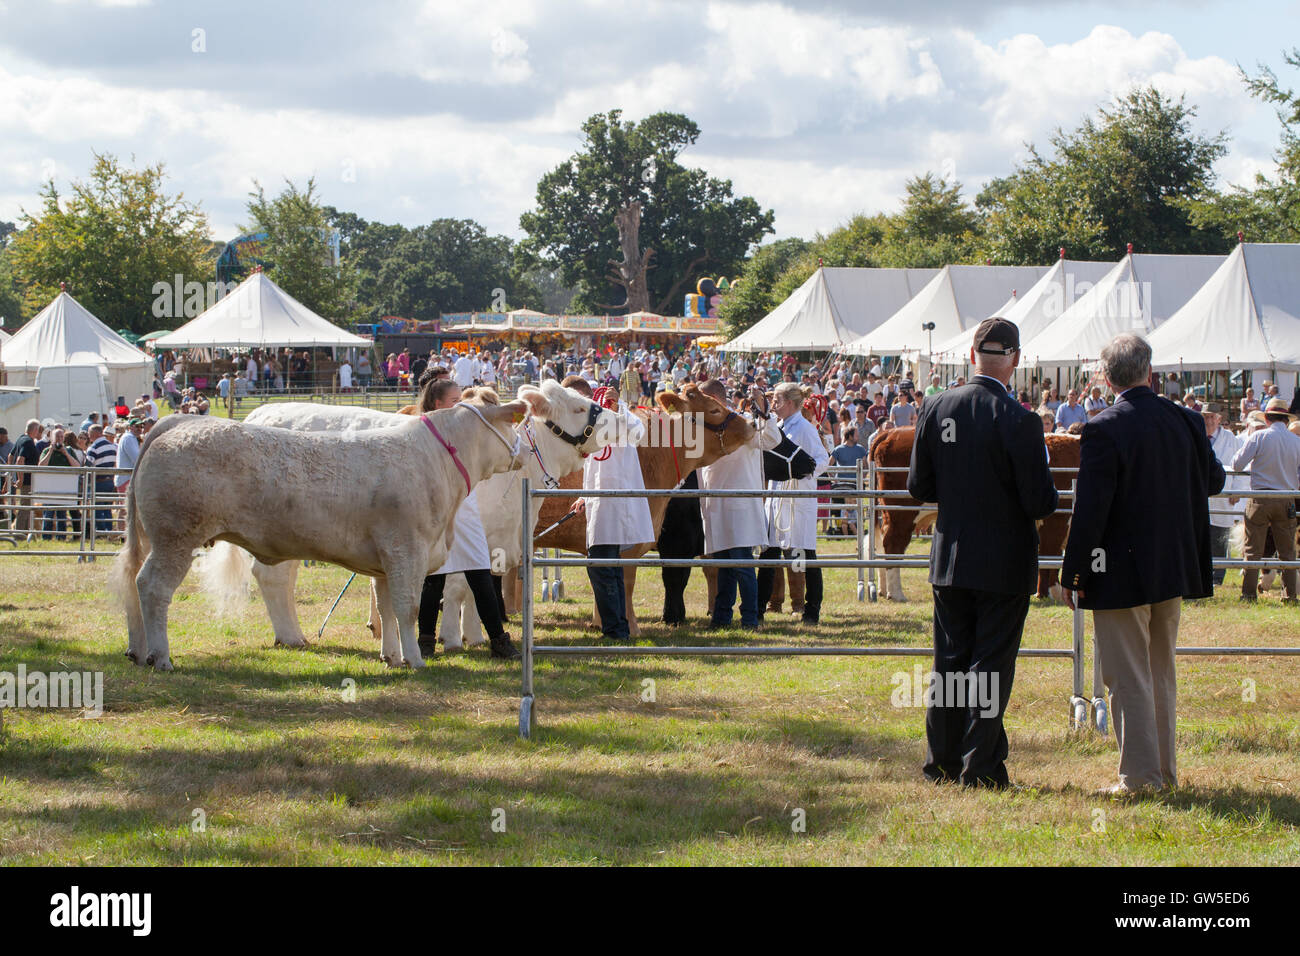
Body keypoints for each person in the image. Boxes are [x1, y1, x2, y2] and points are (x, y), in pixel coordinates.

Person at [1062, 333, 1225, 795]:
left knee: (1128, 675)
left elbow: (1090, 512)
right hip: (1171, 566)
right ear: (1149, 372)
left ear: (1108, 378)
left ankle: (1139, 778)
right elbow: (1213, 479)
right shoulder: (1188, 422)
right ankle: (1162, 772)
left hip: (1120, 570)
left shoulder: (1103, 428)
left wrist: (1072, 573)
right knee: (1160, 672)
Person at [907, 317, 1058, 789]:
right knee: (990, 665)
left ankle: (942, 762)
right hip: (1004, 561)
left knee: (949, 662)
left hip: (950, 556)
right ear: (1015, 359)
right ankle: (980, 768)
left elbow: (918, 487)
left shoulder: (936, 406)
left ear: (972, 355)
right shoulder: (1020, 420)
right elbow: (1040, 501)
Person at [414, 380, 520, 660]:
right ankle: (425, 641)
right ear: (437, 404)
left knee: (479, 572)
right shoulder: (423, 428)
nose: (459, 405)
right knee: (434, 577)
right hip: (438, 507)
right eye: (453, 400)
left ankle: (498, 639)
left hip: (466, 507)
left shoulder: (464, 426)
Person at [571, 385, 653, 641]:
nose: (605, 405)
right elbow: (591, 467)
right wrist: (584, 496)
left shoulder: (624, 421)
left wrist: (619, 409)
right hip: (599, 504)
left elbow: (638, 433)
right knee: (608, 566)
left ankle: (615, 629)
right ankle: (618, 626)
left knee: (603, 566)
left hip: (616, 504)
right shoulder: (592, 427)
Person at [698, 381, 781, 629]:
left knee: (742, 562)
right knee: (723, 563)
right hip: (717, 504)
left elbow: (771, 440)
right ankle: (721, 616)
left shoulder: (742, 423)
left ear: (714, 398)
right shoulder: (703, 427)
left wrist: (765, 411)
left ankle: (750, 617)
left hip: (740, 505)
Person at [757, 383, 830, 625]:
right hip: (778, 496)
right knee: (769, 554)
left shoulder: (805, 429)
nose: (774, 405)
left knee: (805, 553)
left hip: (797, 498)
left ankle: (812, 610)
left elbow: (822, 459)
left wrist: (804, 473)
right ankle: (758, 608)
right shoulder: (778, 427)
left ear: (790, 403)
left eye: (777, 400)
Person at [1230, 396, 1300, 602]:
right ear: (1285, 420)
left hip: (1260, 498)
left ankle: (1248, 594)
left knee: (1253, 550)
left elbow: (1236, 464)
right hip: (1286, 498)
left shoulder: (1258, 437)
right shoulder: (1296, 441)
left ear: (1267, 418)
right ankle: (1290, 595)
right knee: (1287, 551)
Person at [9, 420, 43, 535]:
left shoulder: (21, 438)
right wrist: (21, 479)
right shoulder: (28, 441)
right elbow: (20, 460)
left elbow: (10, 456)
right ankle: (19, 534)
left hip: (25, 479)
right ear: (35, 430)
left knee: (26, 507)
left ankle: (25, 533)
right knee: (25, 507)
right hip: (27, 481)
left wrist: (11, 475)